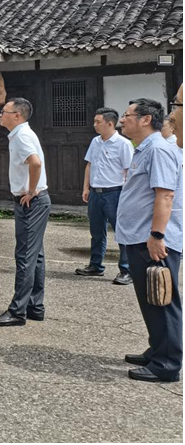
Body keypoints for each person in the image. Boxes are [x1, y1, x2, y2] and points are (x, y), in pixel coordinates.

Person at [116, 98, 182, 383]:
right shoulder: (144, 149)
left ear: (145, 119)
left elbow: (165, 195)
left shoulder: (157, 149)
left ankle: (167, 363)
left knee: (162, 300)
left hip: (153, 240)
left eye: (127, 115)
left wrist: (157, 235)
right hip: (140, 237)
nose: (122, 120)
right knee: (151, 298)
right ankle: (158, 349)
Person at [0, 97, 51, 327]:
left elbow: (35, 163)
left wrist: (31, 191)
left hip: (31, 202)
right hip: (35, 201)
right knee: (36, 255)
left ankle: (17, 311)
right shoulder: (20, 134)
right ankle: (35, 306)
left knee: (25, 255)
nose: (0, 115)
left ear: (17, 115)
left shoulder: (22, 135)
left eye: (4, 112)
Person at [76, 107, 134, 285]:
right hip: (96, 192)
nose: (94, 125)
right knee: (96, 231)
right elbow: (89, 165)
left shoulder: (123, 144)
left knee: (121, 232)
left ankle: (127, 270)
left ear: (110, 124)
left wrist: (127, 195)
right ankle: (95, 265)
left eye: (98, 122)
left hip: (115, 193)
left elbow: (129, 171)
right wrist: (86, 188)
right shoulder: (95, 141)